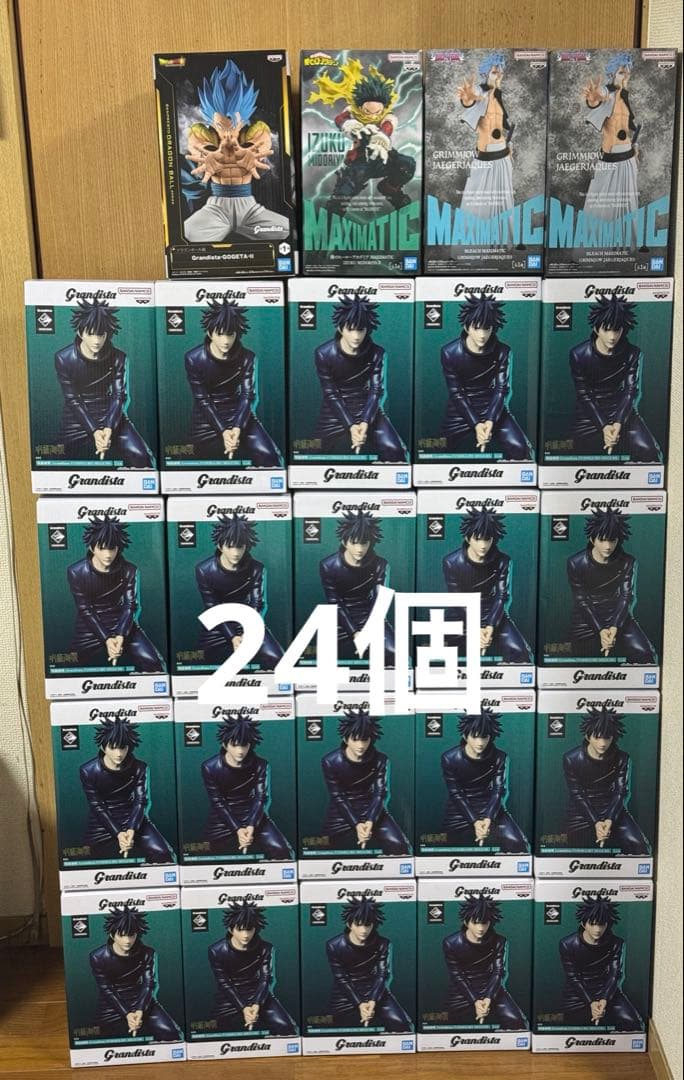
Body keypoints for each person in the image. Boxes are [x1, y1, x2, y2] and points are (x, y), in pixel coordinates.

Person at [182, 59, 289, 244]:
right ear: (211, 118)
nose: (228, 131)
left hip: (250, 208)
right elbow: (197, 153)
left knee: (286, 230)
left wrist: (251, 155)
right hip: (216, 209)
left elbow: (263, 152)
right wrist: (207, 157)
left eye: (234, 123)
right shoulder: (200, 133)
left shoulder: (257, 131)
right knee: (187, 233)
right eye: (221, 124)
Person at [308, 57, 416, 217]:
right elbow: (340, 119)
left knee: (407, 164)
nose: (373, 116)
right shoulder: (353, 113)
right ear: (360, 107)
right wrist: (349, 125)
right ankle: (330, 221)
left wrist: (381, 137)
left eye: (377, 112)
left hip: (383, 158)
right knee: (342, 196)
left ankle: (390, 189)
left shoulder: (387, 115)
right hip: (360, 163)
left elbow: (388, 125)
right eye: (368, 112)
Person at [54, 299, 154, 467]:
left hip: (111, 414)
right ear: (80, 333)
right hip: (78, 418)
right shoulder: (63, 358)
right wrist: (94, 430)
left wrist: (108, 427)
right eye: (90, 334)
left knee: (143, 458)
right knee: (53, 462)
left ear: (107, 334)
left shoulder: (119, 357)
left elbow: (119, 396)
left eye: (101, 334)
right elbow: (73, 399)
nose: (96, 341)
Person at [184, 299, 282, 466]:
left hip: (240, 412)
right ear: (210, 333)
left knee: (273, 458)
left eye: (230, 334)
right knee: (186, 463)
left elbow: (248, 396)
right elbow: (202, 399)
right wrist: (223, 431)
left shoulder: (247, 357)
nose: (226, 341)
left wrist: (237, 427)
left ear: (237, 333)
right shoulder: (193, 358)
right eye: (220, 334)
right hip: (207, 416)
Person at [313, 296, 407, 461]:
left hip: (368, 407)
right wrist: (350, 425)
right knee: (310, 455)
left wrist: (364, 422)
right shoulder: (323, 353)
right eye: (350, 329)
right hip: (335, 410)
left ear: (367, 329)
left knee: (397, 452)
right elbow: (330, 393)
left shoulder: (377, 353)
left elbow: (376, 390)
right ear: (340, 328)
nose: (356, 336)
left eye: (361, 330)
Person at [67, 516, 165, 672]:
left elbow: (130, 606)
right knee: (68, 666)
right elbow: (85, 609)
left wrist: (120, 635)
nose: (108, 554)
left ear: (118, 548)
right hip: (91, 626)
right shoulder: (76, 572)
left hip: (122, 622)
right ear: (92, 548)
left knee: (155, 665)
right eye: (102, 548)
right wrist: (106, 639)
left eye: (112, 548)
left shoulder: (129, 570)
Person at [439, 294, 532, 459]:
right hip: (461, 409)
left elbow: (502, 389)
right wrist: (476, 424)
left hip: (493, 406)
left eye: (487, 328)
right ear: (467, 327)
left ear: (492, 328)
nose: (482, 335)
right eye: (476, 328)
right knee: (436, 451)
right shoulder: (449, 352)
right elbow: (456, 393)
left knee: (523, 450)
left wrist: (490, 420)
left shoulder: (503, 351)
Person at [569, 296, 660, 461]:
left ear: (623, 330)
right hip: (590, 413)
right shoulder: (578, 354)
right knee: (573, 455)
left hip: (623, 410)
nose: (612, 336)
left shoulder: (633, 353)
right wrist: (604, 426)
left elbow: (631, 391)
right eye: (606, 330)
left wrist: (618, 423)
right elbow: (584, 394)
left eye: (617, 330)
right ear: (596, 329)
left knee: (651, 452)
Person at [442, 508, 533, 664]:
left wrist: (490, 626)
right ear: (467, 538)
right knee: (437, 651)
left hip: (492, 612)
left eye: (487, 539)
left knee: (521, 654)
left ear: (493, 539)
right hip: (460, 613)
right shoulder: (451, 562)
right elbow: (457, 599)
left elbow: (502, 596)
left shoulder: (503, 561)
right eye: (477, 539)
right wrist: (476, 628)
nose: (483, 545)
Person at [195, 512, 284, 670]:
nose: (235, 553)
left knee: (277, 659)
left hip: (250, 623)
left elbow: (258, 604)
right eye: (230, 546)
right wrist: (232, 637)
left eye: (240, 547)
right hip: (219, 625)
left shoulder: (257, 568)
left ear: (246, 546)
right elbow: (212, 607)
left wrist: (247, 633)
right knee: (200, 663)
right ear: (220, 546)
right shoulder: (204, 570)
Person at [566, 508, 655, 663]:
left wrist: (614, 627)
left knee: (646, 654)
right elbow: (581, 600)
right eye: (602, 540)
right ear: (592, 539)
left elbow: (626, 597)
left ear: (618, 540)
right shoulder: (575, 563)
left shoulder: (628, 562)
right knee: (580, 659)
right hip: (587, 618)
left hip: (619, 615)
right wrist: (601, 630)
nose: (608, 546)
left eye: (612, 540)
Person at [79, 716, 174, 862]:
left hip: (133, 817)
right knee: (84, 858)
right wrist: (118, 833)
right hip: (103, 821)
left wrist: (131, 829)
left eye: (123, 747)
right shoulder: (88, 771)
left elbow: (140, 801)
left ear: (128, 747)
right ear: (103, 747)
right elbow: (97, 806)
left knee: (164, 854)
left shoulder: (140, 767)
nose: (119, 753)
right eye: (113, 747)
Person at [200, 710, 293, 858]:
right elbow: (218, 802)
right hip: (223, 818)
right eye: (234, 745)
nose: (240, 751)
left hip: (254, 814)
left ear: (251, 744)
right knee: (202, 854)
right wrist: (238, 829)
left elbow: (261, 798)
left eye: (244, 745)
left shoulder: (261, 765)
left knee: (283, 852)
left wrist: (251, 826)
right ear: (225, 745)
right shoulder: (209, 767)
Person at [320, 707, 410, 855]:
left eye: (365, 739)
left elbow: (380, 794)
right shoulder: (330, 761)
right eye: (355, 740)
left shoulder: (381, 760)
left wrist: (370, 821)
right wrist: (357, 824)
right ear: (345, 739)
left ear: (371, 739)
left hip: (372, 808)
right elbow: (337, 796)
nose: (361, 745)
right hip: (342, 810)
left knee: (401, 847)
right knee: (320, 849)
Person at [562, 706, 650, 854]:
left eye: (607, 738)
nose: (602, 743)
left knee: (640, 847)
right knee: (568, 848)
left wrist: (609, 819)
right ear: (588, 737)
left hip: (613, 808)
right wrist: (596, 822)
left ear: (613, 737)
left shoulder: (622, 758)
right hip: (582, 811)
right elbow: (577, 794)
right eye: (597, 737)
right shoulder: (571, 758)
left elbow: (620, 792)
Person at [89, 905, 182, 1040]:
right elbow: (106, 989)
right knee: (102, 1038)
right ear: (112, 935)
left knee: (172, 1034)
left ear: (137, 934)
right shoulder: (97, 956)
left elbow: (148, 984)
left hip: (142, 999)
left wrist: (140, 1010)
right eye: (121, 935)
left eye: (131, 935)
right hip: (112, 1004)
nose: (127, 941)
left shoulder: (147, 953)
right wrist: (127, 1014)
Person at [440, 710, 529, 852]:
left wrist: (488, 818)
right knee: (443, 848)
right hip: (461, 809)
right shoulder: (449, 758)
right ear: (465, 736)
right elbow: (456, 794)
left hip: (491, 807)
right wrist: (475, 822)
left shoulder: (500, 757)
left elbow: (498, 790)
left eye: (484, 737)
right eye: (474, 736)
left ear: (491, 737)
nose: (480, 743)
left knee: (519, 845)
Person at [208, 900, 297, 1035]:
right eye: (240, 929)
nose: (245, 935)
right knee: (215, 1030)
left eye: (249, 929)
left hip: (260, 994)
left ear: (255, 929)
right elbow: (224, 983)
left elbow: (265, 979)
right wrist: (243, 1008)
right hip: (230, 997)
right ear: (231, 929)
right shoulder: (216, 950)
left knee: (287, 1027)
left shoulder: (266, 948)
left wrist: (256, 1004)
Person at [326, 897, 412, 1031]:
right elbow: (341, 979)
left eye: (368, 925)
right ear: (349, 925)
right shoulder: (334, 945)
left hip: (376, 990)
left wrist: (373, 1001)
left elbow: (382, 975)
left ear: (373, 925)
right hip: (346, 993)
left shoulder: (383, 944)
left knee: (403, 1025)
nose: (363, 930)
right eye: (358, 925)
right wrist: (360, 1004)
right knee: (330, 1026)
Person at [455, 52, 515, 245]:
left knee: (504, 200)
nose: (498, 76)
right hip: (485, 157)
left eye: (500, 73)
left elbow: (502, 126)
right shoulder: (480, 93)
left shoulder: (498, 97)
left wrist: (509, 147)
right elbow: (471, 99)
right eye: (494, 72)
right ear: (486, 73)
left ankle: (503, 241)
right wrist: (467, 99)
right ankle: (471, 244)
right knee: (476, 203)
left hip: (503, 155)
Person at [319, 510, 394, 664]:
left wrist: (368, 632)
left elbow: (380, 603)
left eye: (364, 543)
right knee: (325, 659)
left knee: (394, 653)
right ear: (344, 542)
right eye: (354, 542)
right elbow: (334, 603)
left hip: (371, 617)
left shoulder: (380, 565)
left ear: (370, 542)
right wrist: (354, 633)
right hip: (340, 620)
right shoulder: (328, 565)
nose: (359, 549)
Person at [559, 897, 644, 1031]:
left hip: (608, 991)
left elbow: (614, 975)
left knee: (634, 1024)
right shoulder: (567, 944)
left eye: (602, 924)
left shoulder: (616, 943)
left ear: (607, 924)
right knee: (573, 1027)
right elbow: (573, 977)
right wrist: (591, 1003)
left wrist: (604, 999)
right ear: (583, 923)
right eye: (592, 924)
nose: (597, 929)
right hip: (578, 994)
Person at [442, 896, 527, 1029]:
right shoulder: (451, 943)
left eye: (485, 923)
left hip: (492, 988)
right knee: (448, 1024)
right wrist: (475, 1001)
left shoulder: (499, 941)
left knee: (518, 1022)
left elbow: (498, 972)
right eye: (475, 922)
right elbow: (457, 975)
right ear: (466, 922)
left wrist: (488, 998)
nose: (480, 928)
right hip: (463, 990)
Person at [582, 53, 640, 244]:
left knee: (628, 204)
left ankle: (624, 247)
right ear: (613, 74)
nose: (626, 76)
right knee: (600, 207)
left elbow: (627, 128)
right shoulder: (608, 95)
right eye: (621, 72)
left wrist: (634, 148)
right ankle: (596, 246)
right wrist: (593, 99)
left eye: (628, 72)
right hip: (610, 159)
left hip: (628, 158)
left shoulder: (625, 98)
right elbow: (598, 98)